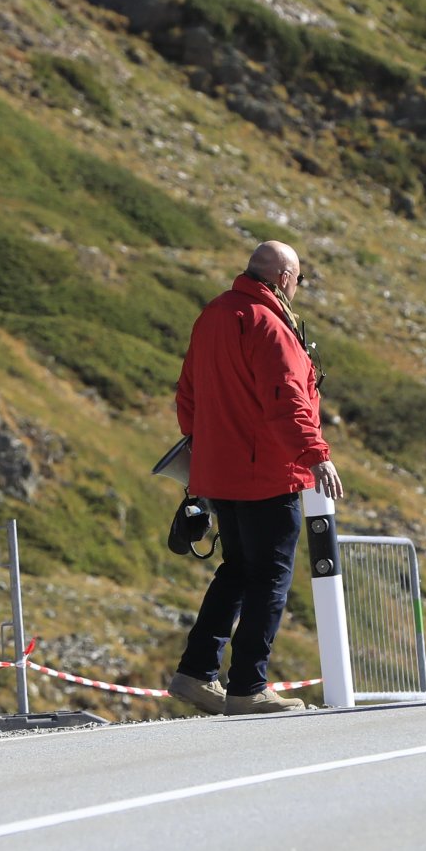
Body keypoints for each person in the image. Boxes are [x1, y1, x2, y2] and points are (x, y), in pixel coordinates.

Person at [167, 241, 344, 716]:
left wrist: (210, 446)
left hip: (220, 472)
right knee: (269, 576)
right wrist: (317, 456)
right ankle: (248, 685)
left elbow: (187, 396)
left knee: (237, 570)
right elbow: (288, 399)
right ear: (285, 278)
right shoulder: (269, 324)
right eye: (299, 280)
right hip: (266, 472)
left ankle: (196, 672)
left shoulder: (214, 314)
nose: (298, 288)